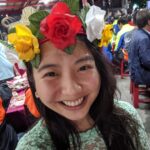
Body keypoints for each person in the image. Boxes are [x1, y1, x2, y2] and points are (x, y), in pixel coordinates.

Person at [8, 1, 150, 150]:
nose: (71, 90)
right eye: (51, 74)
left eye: (83, 68)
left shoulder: (126, 117)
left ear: (98, 69)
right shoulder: (31, 147)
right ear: (34, 84)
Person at [129, 9, 150, 85]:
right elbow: (147, 61)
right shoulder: (144, 38)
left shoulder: (137, 32)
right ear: (148, 22)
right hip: (141, 74)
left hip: (136, 71)